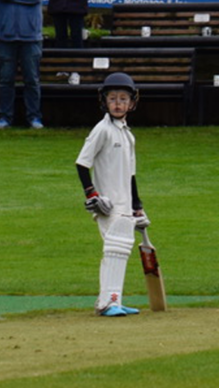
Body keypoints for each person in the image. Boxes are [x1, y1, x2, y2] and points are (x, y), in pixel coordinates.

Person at [75, 72, 150, 317]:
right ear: (104, 102)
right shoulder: (102, 130)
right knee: (115, 248)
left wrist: (137, 206)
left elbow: (131, 174)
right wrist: (92, 195)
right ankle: (106, 303)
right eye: (113, 99)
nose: (118, 103)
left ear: (132, 103)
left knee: (122, 250)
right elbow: (82, 163)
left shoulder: (128, 134)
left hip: (125, 204)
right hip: (107, 203)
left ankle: (113, 300)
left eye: (123, 99)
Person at [0, 0, 43, 130]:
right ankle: (5, 117)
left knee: (31, 80)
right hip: (5, 36)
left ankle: (34, 117)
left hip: (31, 37)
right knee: (6, 80)